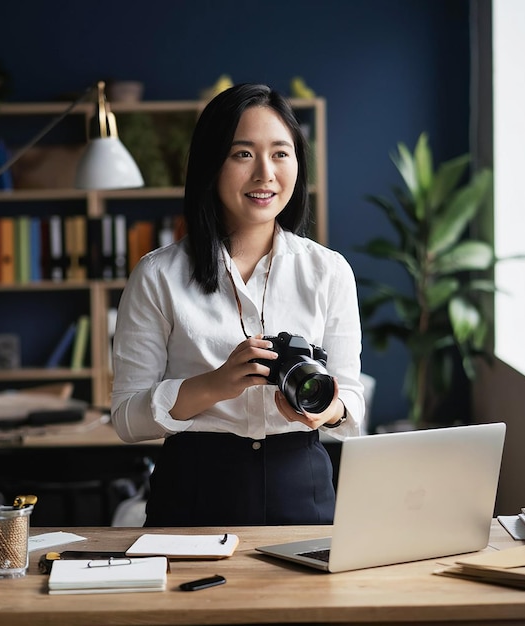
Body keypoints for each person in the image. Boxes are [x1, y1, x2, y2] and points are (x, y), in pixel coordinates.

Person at [111, 83, 364, 526]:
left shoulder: (329, 270)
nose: (265, 173)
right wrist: (215, 384)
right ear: (212, 163)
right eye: (243, 154)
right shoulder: (157, 275)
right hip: (194, 491)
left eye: (281, 153)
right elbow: (127, 420)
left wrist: (323, 409)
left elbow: (352, 403)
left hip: (302, 490)